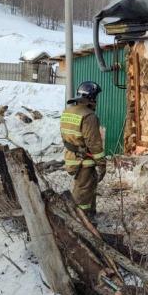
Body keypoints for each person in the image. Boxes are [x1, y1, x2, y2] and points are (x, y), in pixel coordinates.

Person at [60, 81, 106, 219]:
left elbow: (67, 136)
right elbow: (94, 144)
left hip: (71, 156)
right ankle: (81, 221)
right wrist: (102, 163)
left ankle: (91, 214)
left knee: (88, 187)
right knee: (82, 192)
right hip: (84, 160)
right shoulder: (89, 116)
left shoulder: (68, 111)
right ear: (91, 98)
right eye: (95, 98)